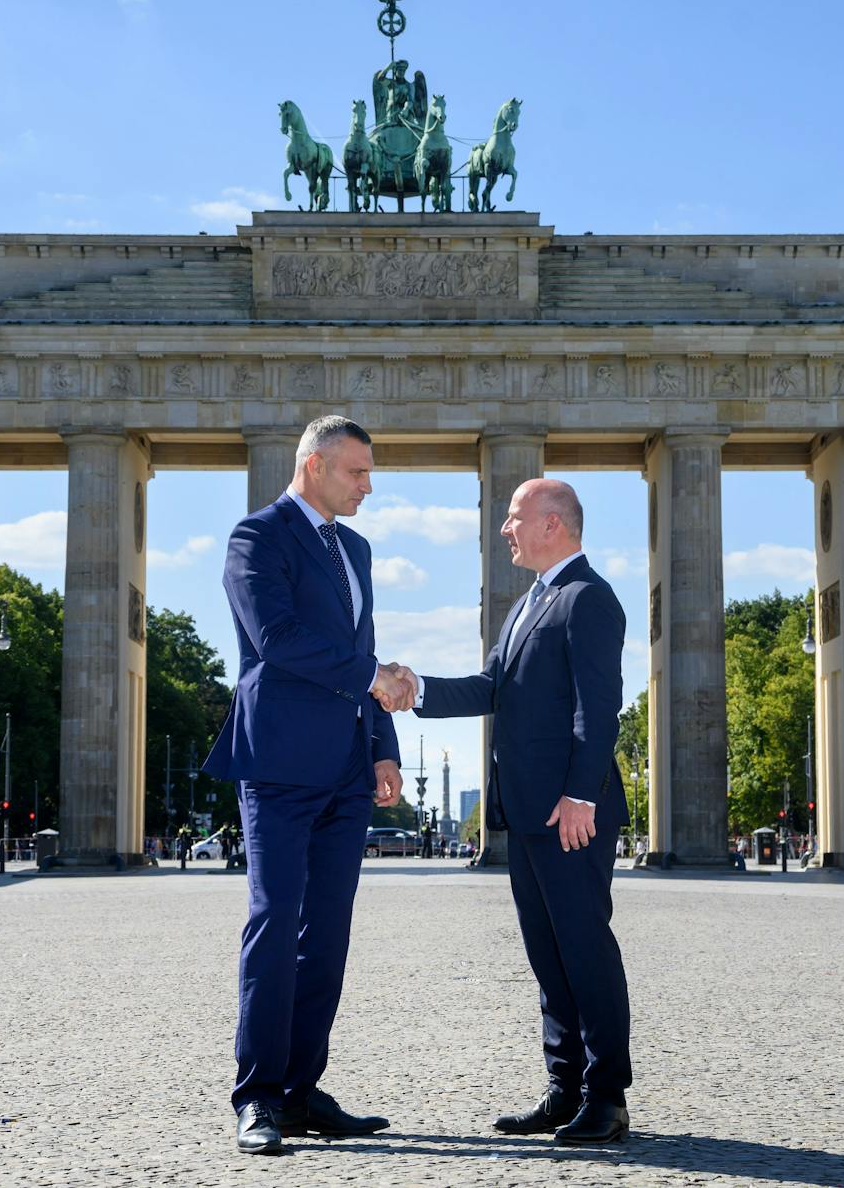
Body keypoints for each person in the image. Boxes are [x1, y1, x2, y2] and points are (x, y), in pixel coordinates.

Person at [394, 478, 632, 1145]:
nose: (505, 529)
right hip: (530, 810)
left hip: (569, 811)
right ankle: (565, 1091)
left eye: (514, 517)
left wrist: (582, 793)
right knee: (548, 955)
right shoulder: (528, 603)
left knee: (585, 950)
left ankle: (607, 1096)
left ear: (554, 523)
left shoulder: (589, 598)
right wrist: (416, 691)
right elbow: (492, 686)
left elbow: (598, 708)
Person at [200, 415, 411, 1156]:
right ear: (314, 464)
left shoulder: (355, 548)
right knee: (274, 923)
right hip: (281, 762)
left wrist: (383, 747)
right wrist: (370, 677)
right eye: (357, 471)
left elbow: (364, 652)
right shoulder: (256, 538)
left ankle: (300, 1089)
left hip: (349, 767)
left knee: (326, 936)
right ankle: (256, 1094)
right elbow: (277, 638)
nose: (368, 485)